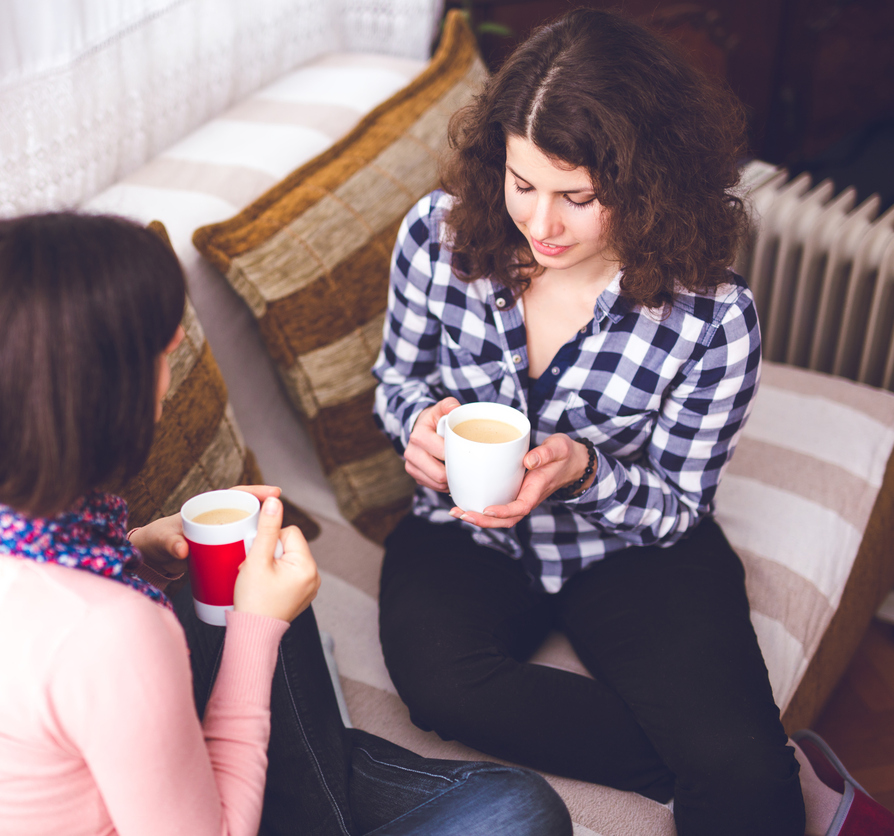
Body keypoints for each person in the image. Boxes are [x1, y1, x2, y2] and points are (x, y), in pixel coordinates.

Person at [0, 211, 572, 836]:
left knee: (232, 571)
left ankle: (307, 784)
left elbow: (4, 649)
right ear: (99, 399)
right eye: (162, 359)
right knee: (517, 809)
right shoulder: (109, 631)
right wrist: (258, 626)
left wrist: (133, 554)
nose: (168, 383)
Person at [371, 9, 894, 836]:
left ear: (646, 180)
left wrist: (580, 469)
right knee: (439, 685)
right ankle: (759, 766)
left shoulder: (712, 317)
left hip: (627, 546)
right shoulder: (436, 238)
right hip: (464, 531)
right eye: (522, 184)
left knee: (732, 766)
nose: (541, 225)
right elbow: (395, 379)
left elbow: (679, 505)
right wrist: (417, 430)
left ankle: (742, 765)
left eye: (578, 197)